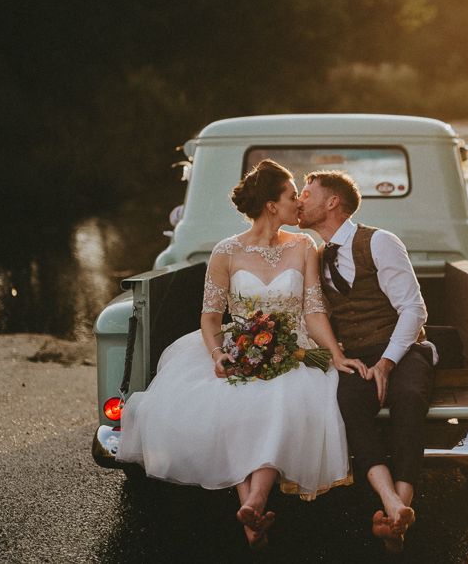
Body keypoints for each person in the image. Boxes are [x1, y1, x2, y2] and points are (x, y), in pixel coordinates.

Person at [117, 159, 365, 549]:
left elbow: (314, 310)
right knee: (231, 402)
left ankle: (254, 504)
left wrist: (333, 353)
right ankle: (252, 507)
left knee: (279, 400)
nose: (298, 203)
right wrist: (217, 354)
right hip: (237, 345)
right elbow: (211, 318)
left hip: (297, 349)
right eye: (290, 195)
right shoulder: (225, 252)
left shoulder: (304, 247)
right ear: (271, 205)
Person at [298, 170, 436, 553]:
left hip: (403, 348)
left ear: (332, 202)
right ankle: (392, 505)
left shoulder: (379, 242)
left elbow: (414, 309)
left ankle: (397, 513)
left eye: (306, 193)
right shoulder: (315, 255)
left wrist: (388, 363)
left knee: (409, 398)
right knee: (349, 404)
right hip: (357, 354)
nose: (299, 200)